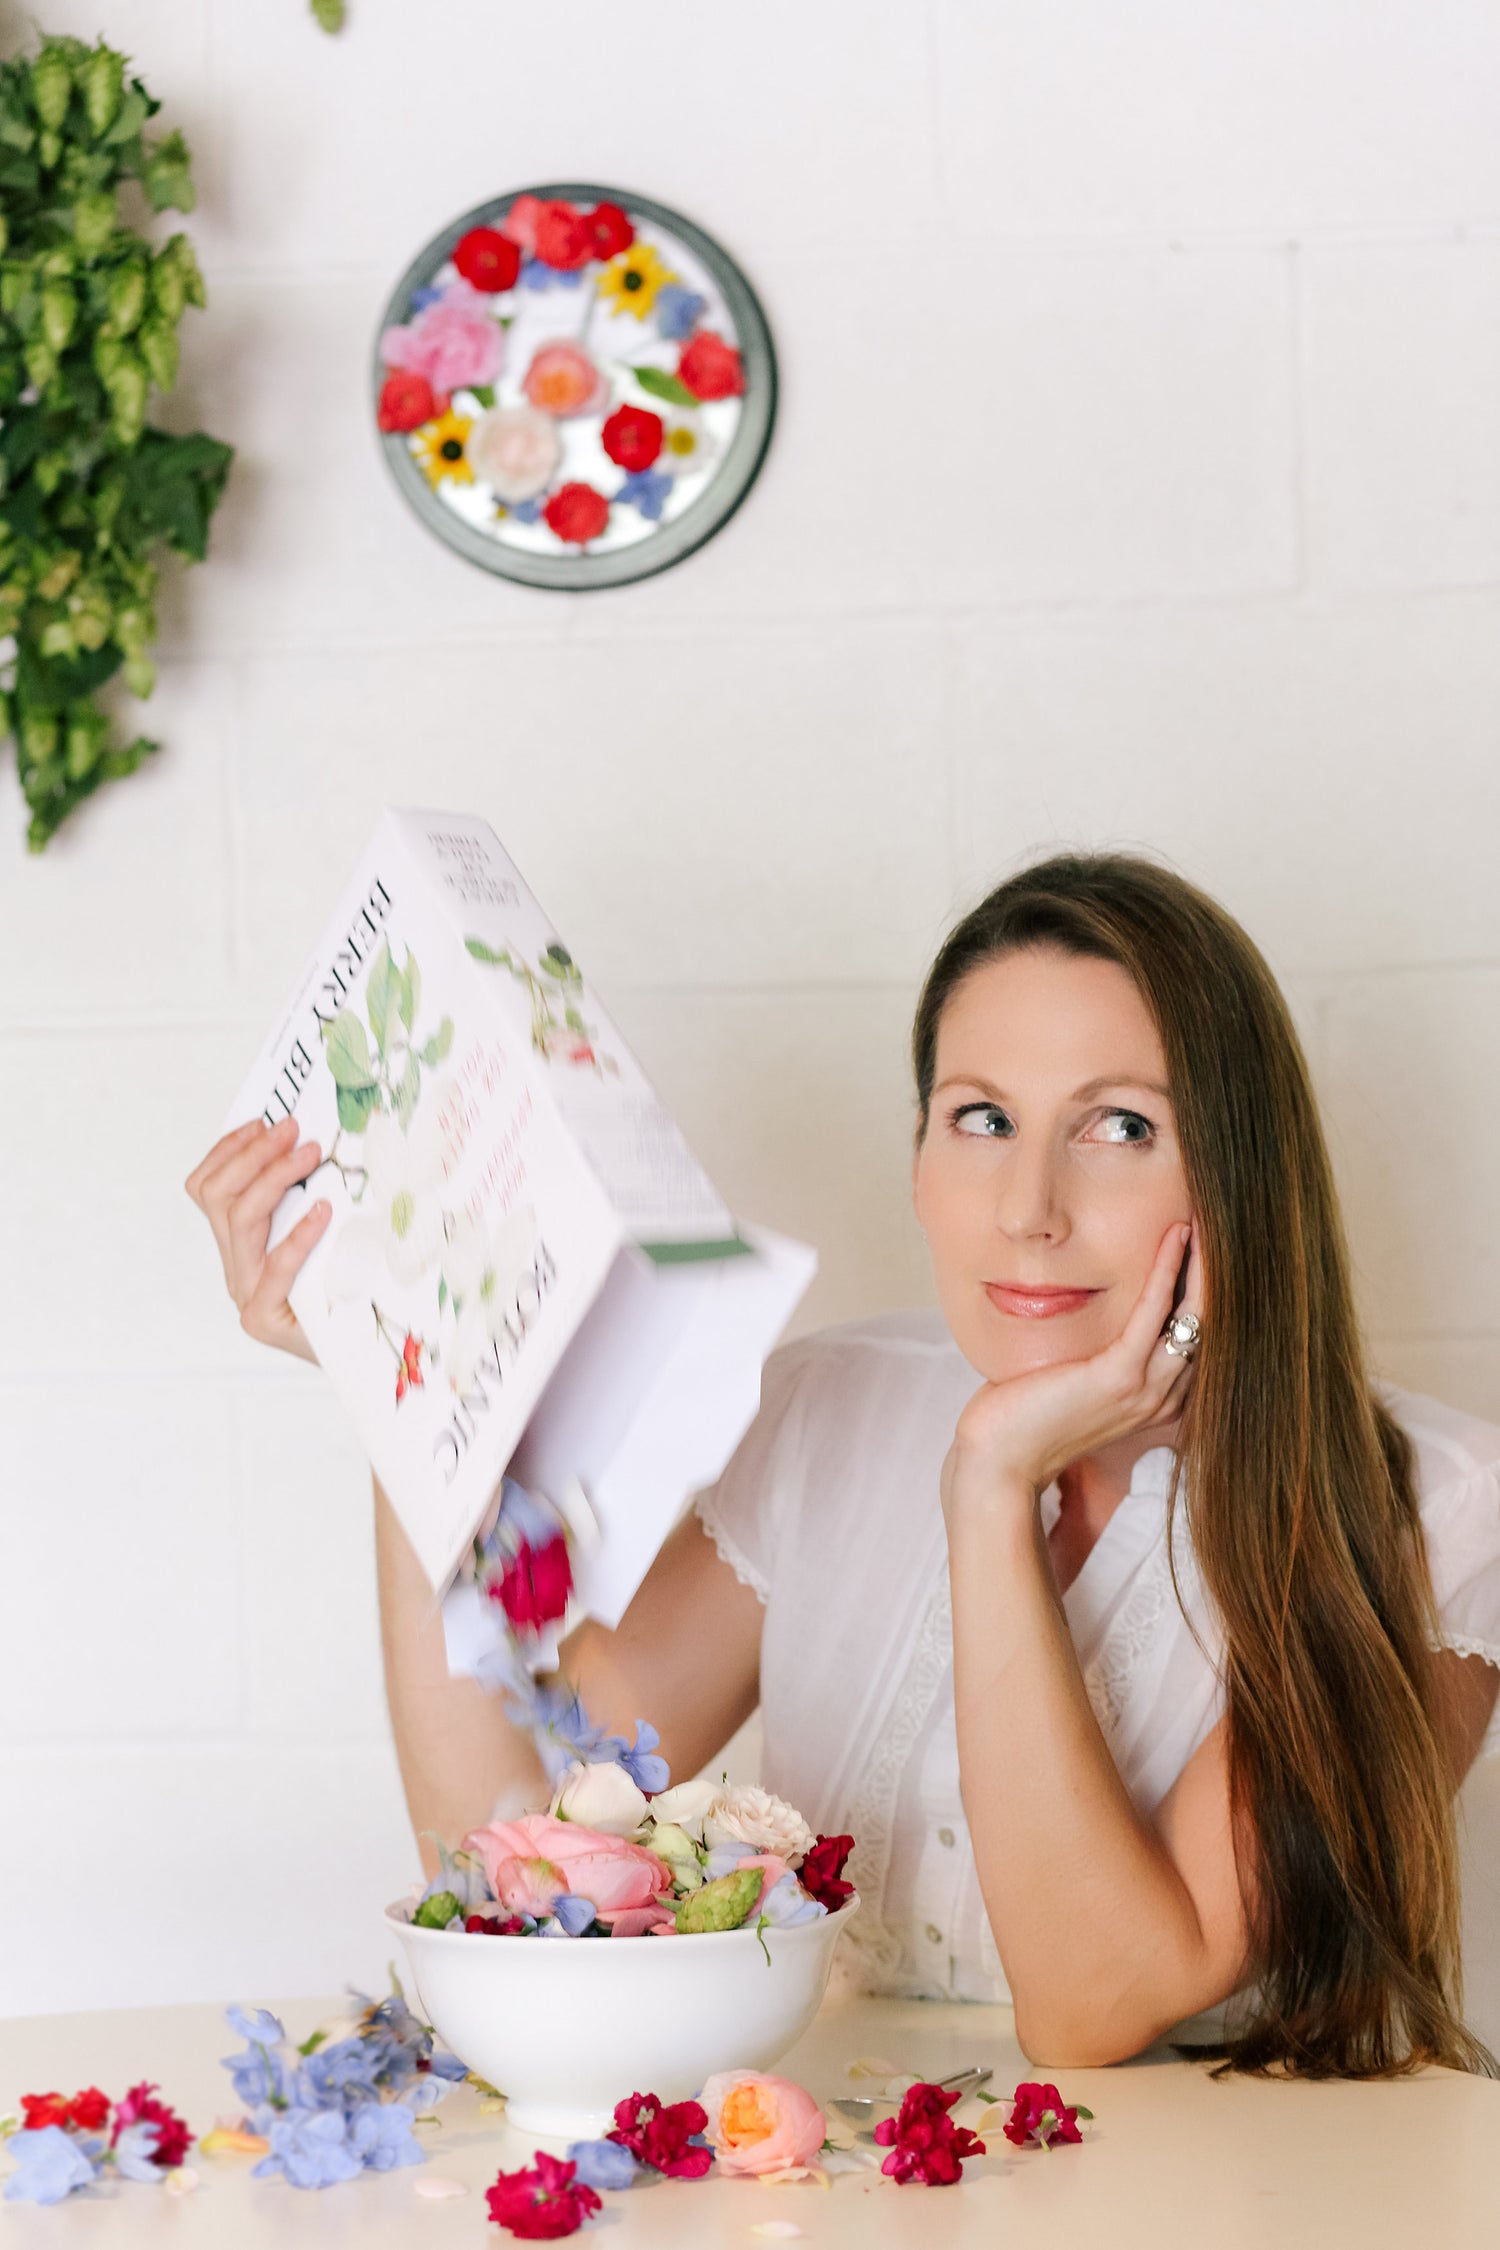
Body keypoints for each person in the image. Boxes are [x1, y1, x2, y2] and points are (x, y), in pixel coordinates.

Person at [186, 850, 1500, 2079]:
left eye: (1119, 1128)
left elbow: (1094, 2001)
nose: (1029, 1204)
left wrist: (991, 1484)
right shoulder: (833, 1410)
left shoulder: (1435, 1512)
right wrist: (402, 1373)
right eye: (980, 1116)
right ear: (920, 1162)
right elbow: (508, 1844)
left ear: (1242, 1172)